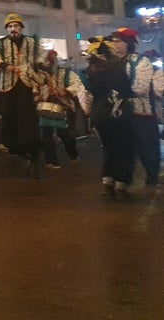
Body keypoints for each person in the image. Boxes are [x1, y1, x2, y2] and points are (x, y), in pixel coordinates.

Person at [80, 36, 137, 198]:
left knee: (109, 149)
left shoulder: (88, 72)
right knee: (124, 148)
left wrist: (89, 113)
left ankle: (108, 183)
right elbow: (132, 88)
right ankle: (121, 184)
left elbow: (85, 97)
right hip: (119, 113)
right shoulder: (120, 66)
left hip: (99, 116)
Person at [0, 13, 42, 171]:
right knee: (9, 115)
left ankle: (30, 146)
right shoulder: (0, 43)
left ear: (21, 27)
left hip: (27, 84)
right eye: (10, 26)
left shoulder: (32, 42)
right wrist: (4, 66)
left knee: (27, 115)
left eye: (16, 26)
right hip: (8, 85)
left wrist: (40, 66)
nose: (13, 29)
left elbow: (40, 57)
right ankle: (14, 146)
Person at [107, 29, 158, 188]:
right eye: (113, 42)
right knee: (124, 148)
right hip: (121, 112)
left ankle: (152, 176)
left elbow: (141, 88)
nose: (115, 45)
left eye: (118, 41)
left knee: (146, 148)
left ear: (128, 43)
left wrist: (123, 92)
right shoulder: (114, 62)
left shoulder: (141, 61)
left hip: (141, 113)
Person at [35, 51, 83, 170]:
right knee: (46, 134)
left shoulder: (66, 73)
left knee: (65, 134)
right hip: (45, 107)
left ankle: (73, 155)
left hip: (63, 106)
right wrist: (36, 95)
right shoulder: (40, 76)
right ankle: (51, 160)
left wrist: (65, 91)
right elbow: (35, 87)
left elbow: (78, 85)